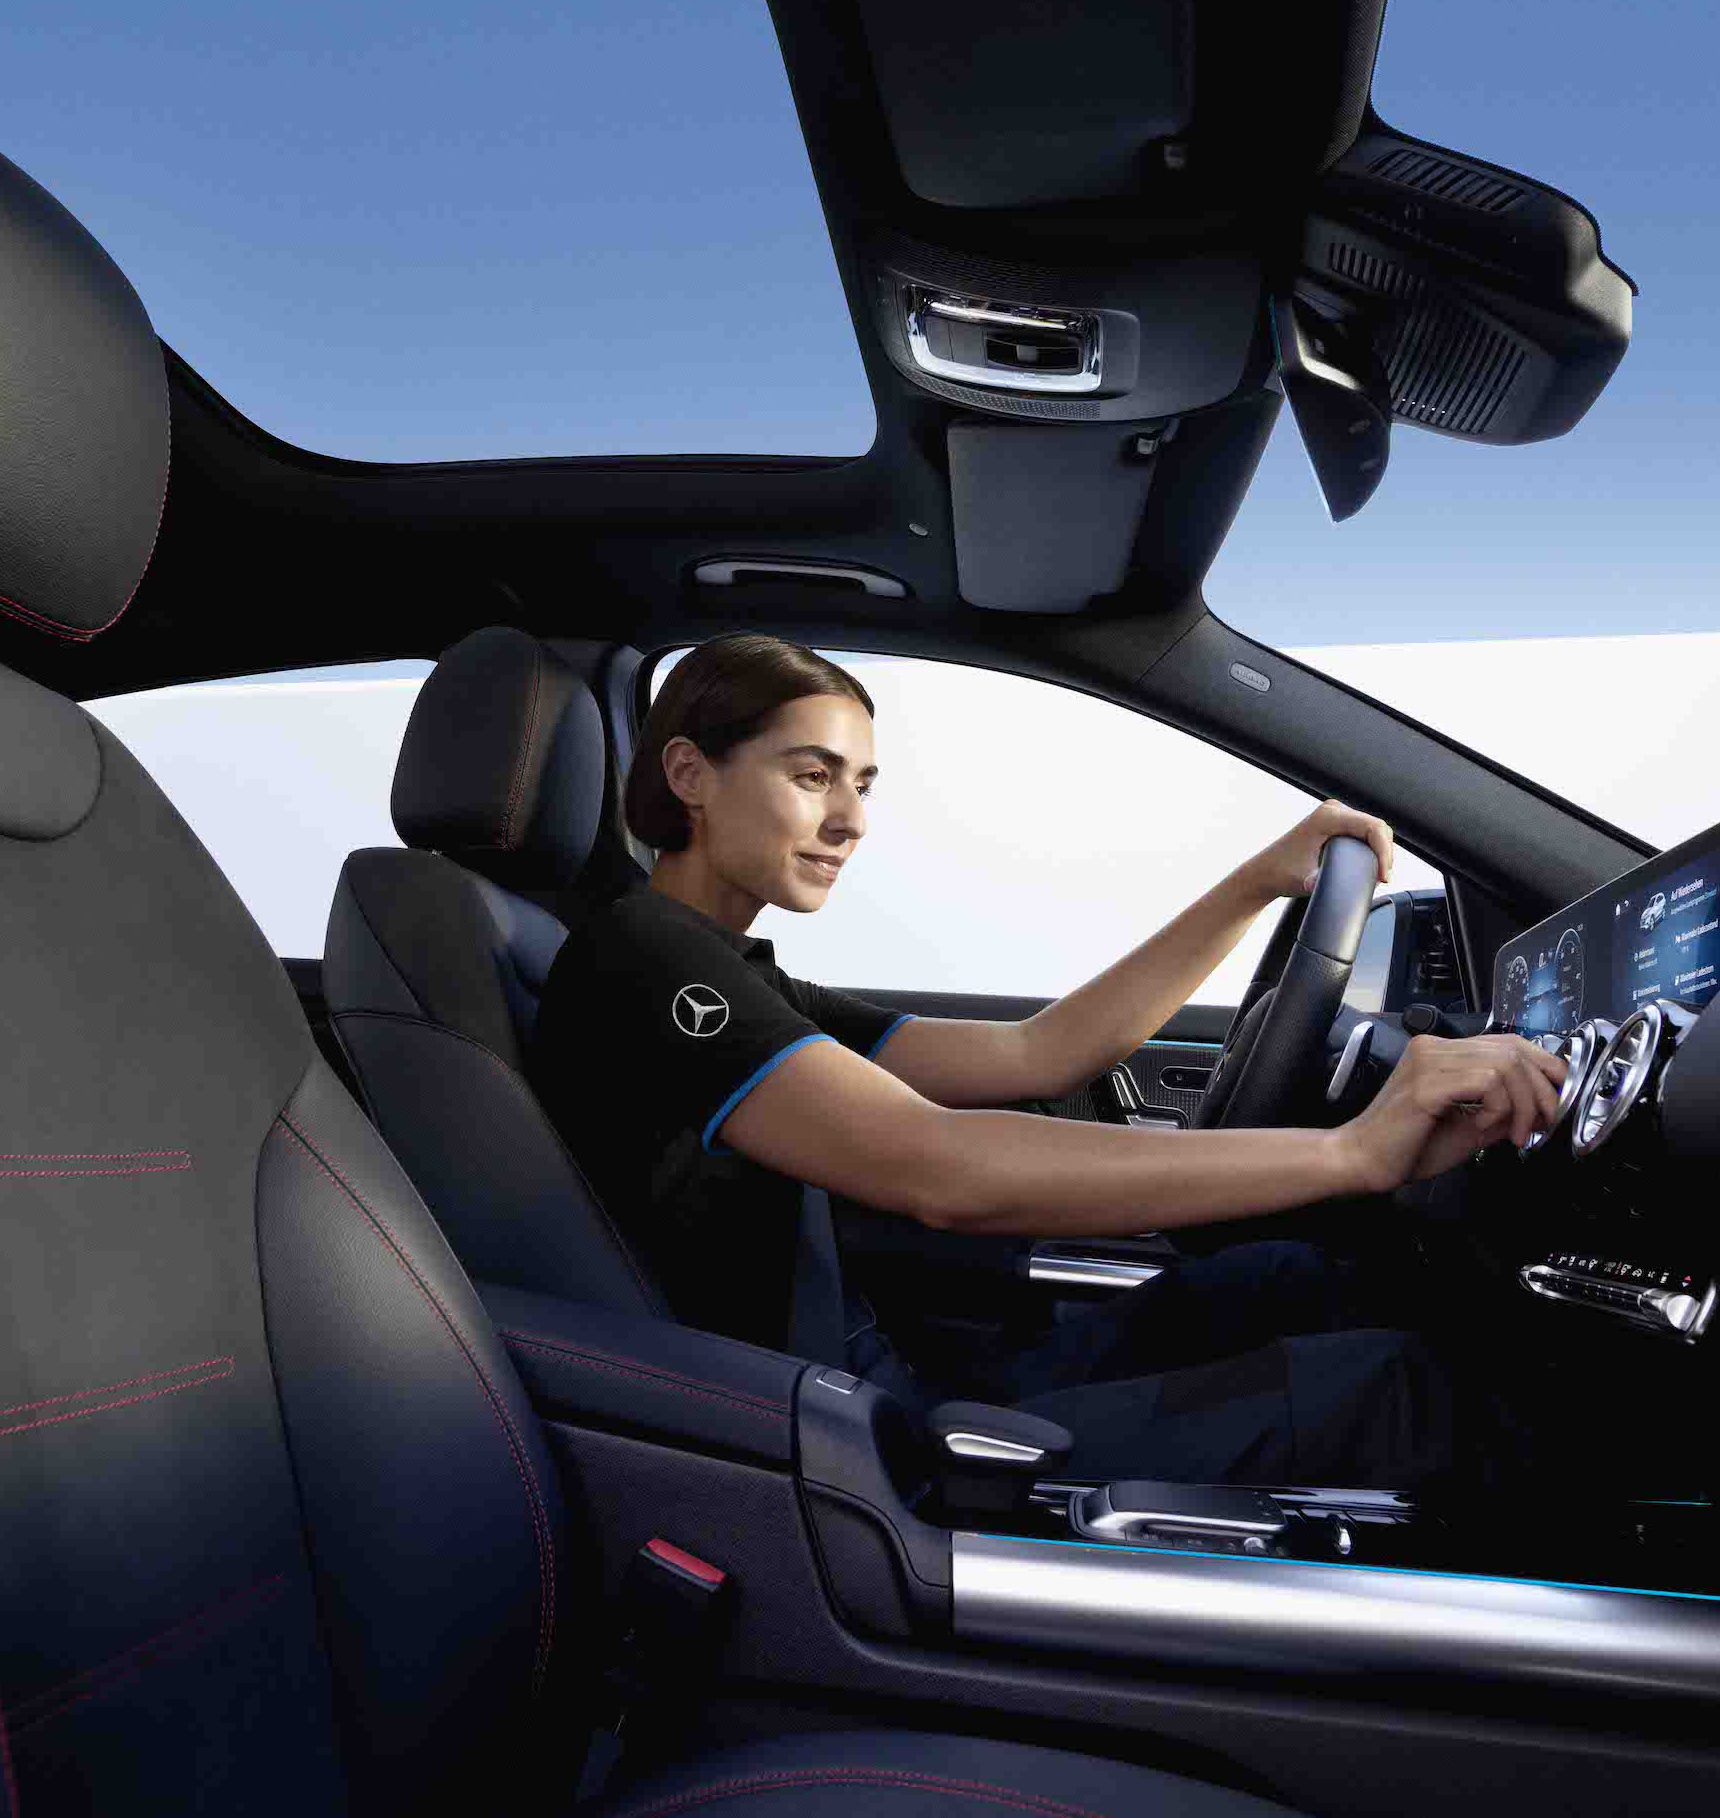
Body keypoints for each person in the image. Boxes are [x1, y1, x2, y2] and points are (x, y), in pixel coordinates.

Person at [527, 635, 1569, 1489]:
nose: (849, 821)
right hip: (841, 1443)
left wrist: (1259, 881)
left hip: (891, 1371)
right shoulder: (643, 964)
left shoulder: (729, 968)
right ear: (688, 774)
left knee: (1289, 1284)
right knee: (1403, 1393)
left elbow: (1045, 1051)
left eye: (864, 785)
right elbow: (941, 1170)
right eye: (811, 778)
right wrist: (1352, 1155)